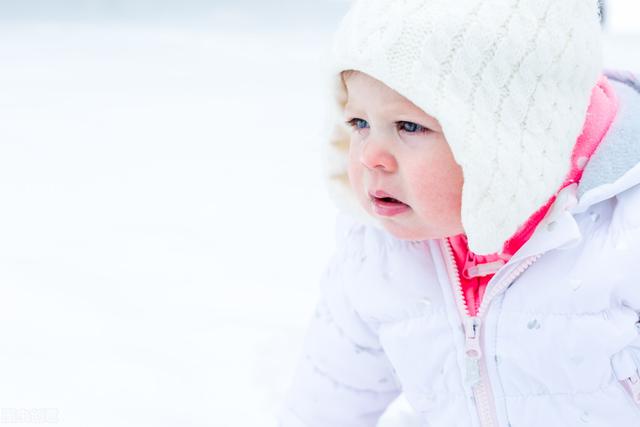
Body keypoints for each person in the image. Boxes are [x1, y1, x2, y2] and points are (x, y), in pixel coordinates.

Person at [277, 0, 640, 426]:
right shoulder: (377, 251)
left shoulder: (622, 239)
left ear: (508, 137)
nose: (370, 156)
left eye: (408, 127)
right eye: (358, 122)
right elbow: (327, 400)